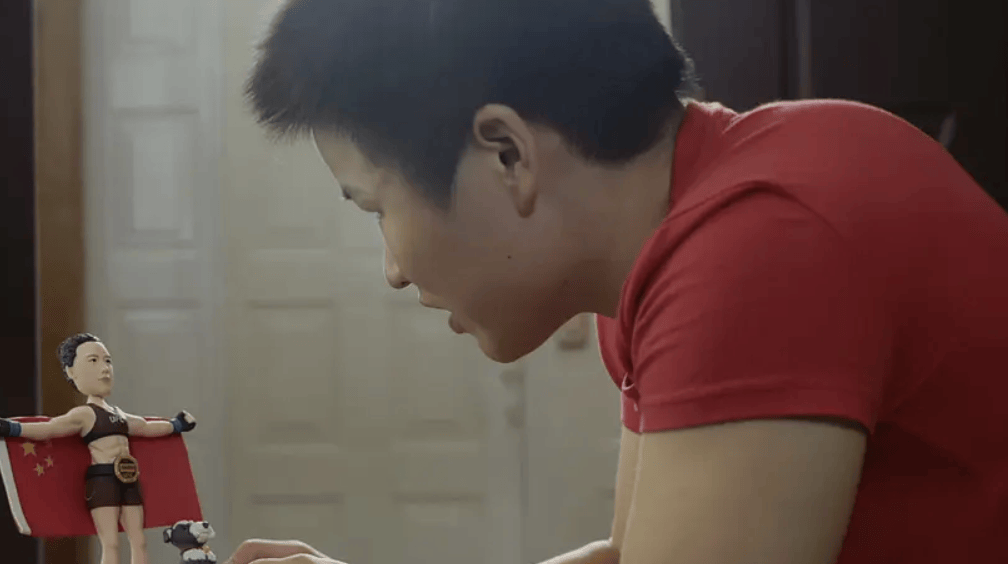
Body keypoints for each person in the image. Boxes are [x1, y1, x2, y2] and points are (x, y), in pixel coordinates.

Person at [227, 1, 1008, 563]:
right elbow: (634, 555)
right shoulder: (679, 237)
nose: (394, 271)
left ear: (507, 152)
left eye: (375, 207)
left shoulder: (759, 246)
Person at [0, 333, 198, 564]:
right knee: (110, 543)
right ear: (71, 372)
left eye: (107, 361)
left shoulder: (120, 415)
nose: (104, 369)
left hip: (129, 479)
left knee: (139, 540)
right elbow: (50, 428)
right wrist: (13, 428)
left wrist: (176, 425)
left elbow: (145, 427)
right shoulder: (84, 414)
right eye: (93, 360)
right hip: (103, 481)